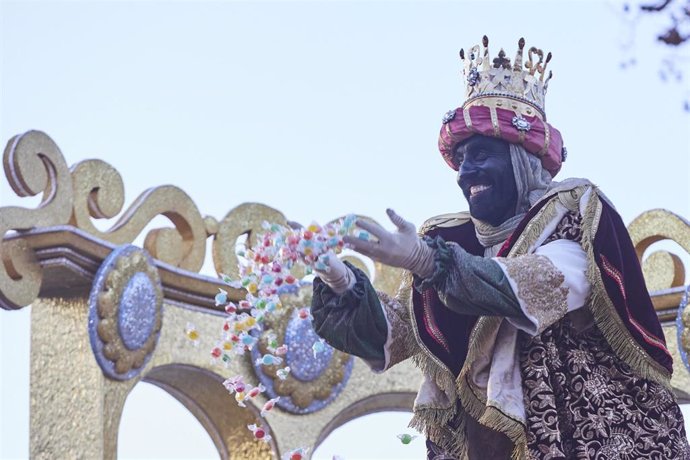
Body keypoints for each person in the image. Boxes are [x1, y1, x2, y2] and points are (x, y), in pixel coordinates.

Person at [310, 36, 690, 459]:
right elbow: (400, 332)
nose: (464, 173)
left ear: (522, 160)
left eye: (481, 155)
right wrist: (342, 283)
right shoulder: (451, 240)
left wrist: (424, 260)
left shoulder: (571, 215)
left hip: (579, 437)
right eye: (461, 160)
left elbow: (532, 284)